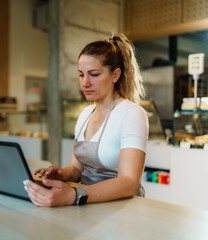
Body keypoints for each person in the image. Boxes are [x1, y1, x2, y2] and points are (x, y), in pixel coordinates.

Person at [23, 33, 149, 207]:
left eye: (94, 74)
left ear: (115, 75)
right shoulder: (85, 114)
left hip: (121, 208)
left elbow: (128, 182)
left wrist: (75, 194)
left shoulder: (131, 113)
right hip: (87, 203)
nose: (85, 83)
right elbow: (75, 169)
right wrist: (61, 174)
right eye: (81, 75)